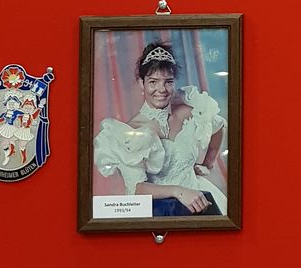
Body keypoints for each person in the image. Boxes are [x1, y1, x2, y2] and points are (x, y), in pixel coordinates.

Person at [93, 41, 227, 217]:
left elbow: (219, 126)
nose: (161, 89)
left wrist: (208, 164)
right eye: (153, 82)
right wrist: (178, 192)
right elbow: (136, 188)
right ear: (141, 83)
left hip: (199, 199)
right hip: (161, 211)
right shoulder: (131, 131)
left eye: (168, 82)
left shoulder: (190, 113)